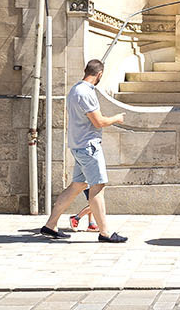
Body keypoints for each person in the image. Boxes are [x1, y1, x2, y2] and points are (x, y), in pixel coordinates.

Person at [39, 59, 127, 243]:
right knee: (97, 187)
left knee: (77, 185)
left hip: (79, 146)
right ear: (100, 75)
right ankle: (105, 233)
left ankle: (50, 225)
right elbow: (99, 122)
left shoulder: (75, 90)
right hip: (88, 147)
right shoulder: (85, 93)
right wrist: (116, 118)